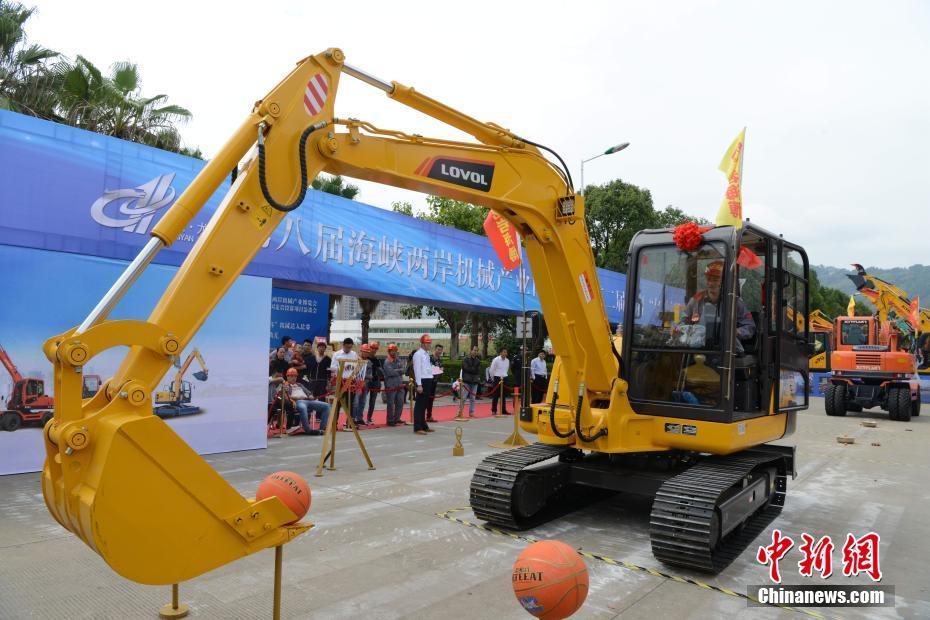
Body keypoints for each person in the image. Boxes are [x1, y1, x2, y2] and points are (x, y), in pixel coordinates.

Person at [680, 260, 756, 355]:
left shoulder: (735, 303)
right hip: (697, 350)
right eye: (708, 279)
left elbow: (750, 327)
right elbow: (682, 322)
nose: (710, 283)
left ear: (724, 281)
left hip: (727, 353)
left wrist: (736, 332)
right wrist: (682, 329)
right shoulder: (696, 300)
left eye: (715, 280)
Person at [283, 368, 330, 435]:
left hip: (308, 400)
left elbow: (308, 392)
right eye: (291, 376)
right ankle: (308, 430)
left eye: (295, 376)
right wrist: (298, 397)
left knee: (327, 406)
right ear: (287, 376)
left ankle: (321, 429)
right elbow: (286, 397)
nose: (294, 378)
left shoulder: (300, 385)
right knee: (303, 407)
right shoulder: (285, 385)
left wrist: (310, 395)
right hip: (298, 402)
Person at [332, 338, 358, 427]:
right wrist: (338, 372)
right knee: (337, 403)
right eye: (347, 347)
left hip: (351, 382)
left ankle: (349, 423)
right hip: (341, 381)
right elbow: (333, 367)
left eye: (350, 347)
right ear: (343, 345)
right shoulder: (337, 354)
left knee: (351, 404)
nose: (348, 349)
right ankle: (334, 423)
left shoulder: (354, 354)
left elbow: (356, 366)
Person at [411, 334, 435, 435]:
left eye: (430, 343)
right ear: (423, 343)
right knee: (419, 405)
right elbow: (417, 370)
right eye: (427, 343)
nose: (429, 345)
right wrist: (419, 384)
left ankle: (423, 425)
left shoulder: (426, 354)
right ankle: (417, 427)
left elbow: (427, 368)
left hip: (428, 379)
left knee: (424, 404)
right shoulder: (418, 354)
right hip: (422, 381)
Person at [382, 343, 407, 426]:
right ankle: (390, 420)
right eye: (392, 351)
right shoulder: (387, 361)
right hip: (391, 385)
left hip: (399, 384)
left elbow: (404, 370)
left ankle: (397, 418)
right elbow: (390, 372)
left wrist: (396, 370)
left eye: (395, 351)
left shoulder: (398, 360)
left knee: (400, 402)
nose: (394, 352)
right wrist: (398, 371)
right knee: (390, 404)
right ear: (389, 351)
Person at [352, 344, 374, 426]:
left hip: (365, 384)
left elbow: (370, 375)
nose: (366, 354)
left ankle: (360, 419)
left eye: (368, 352)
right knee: (355, 402)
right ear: (361, 351)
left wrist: (366, 381)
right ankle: (352, 419)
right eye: (365, 352)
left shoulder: (369, 362)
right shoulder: (355, 360)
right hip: (356, 384)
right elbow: (353, 373)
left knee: (363, 402)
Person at [461, 345, 481, 417]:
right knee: (464, 397)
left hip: (475, 381)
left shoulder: (478, 361)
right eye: (474, 350)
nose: (475, 352)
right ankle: (460, 412)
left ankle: (471, 412)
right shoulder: (465, 359)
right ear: (471, 350)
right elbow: (465, 368)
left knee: (473, 398)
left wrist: (471, 369)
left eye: (476, 351)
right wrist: (473, 369)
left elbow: (478, 371)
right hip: (467, 380)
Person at [489, 348, 510, 415]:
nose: (505, 353)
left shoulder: (507, 360)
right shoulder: (496, 360)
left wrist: (504, 375)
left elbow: (506, 369)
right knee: (495, 395)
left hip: (504, 378)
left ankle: (503, 410)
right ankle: (494, 410)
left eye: (506, 352)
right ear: (500, 353)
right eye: (504, 352)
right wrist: (493, 377)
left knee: (503, 395)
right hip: (497, 378)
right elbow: (492, 369)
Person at [366, 341, 383, 424]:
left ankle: (369, 418)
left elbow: (380, 372)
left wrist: (379, 383)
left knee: (372, 402)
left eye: (375, 349)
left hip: (375, 381)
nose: (374, 350)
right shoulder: (365, 359)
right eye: (372, 348)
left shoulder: (377, 360)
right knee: (360, 401)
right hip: (366, 381)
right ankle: (357, 418)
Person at [426, 343, 444, 422]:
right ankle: (422, 416)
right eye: (438, 349)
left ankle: (429, 416)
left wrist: (439, 370)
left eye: (441, 350)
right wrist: (439, 370)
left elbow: (441, 369)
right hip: (428, 382)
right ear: (435, 349)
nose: (439, 351)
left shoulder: (439, 359)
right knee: (426, 399)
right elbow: (431, 370)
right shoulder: (430, 358)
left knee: (431, 400)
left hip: (435, 382)